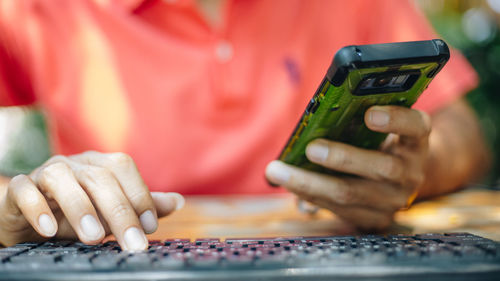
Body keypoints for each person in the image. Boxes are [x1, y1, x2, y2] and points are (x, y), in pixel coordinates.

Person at [0, 0, 490, 251]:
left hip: (335, 258)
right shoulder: (38, 10)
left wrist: (412, 173)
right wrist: (11, 209)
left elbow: (464, 134)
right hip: (121, 258)